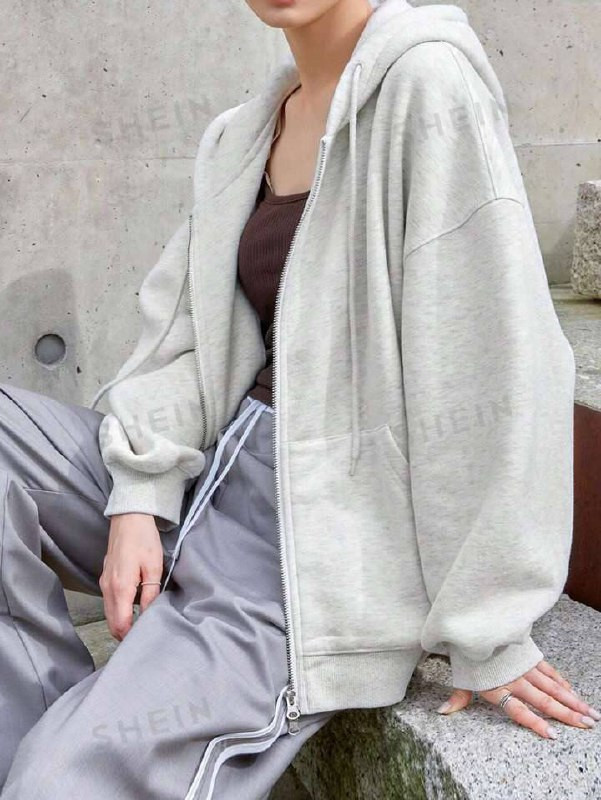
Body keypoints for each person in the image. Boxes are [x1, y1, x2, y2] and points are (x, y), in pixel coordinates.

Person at [0, 0, 598, 797]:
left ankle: (64, 760)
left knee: (58, 786)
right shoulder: (245, 130)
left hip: (313, 546)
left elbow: (489, 360)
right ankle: (44, 731)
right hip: (209, 473)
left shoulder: (426, 83)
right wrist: (139, 493)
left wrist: (486, 626)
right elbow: (187, 336)